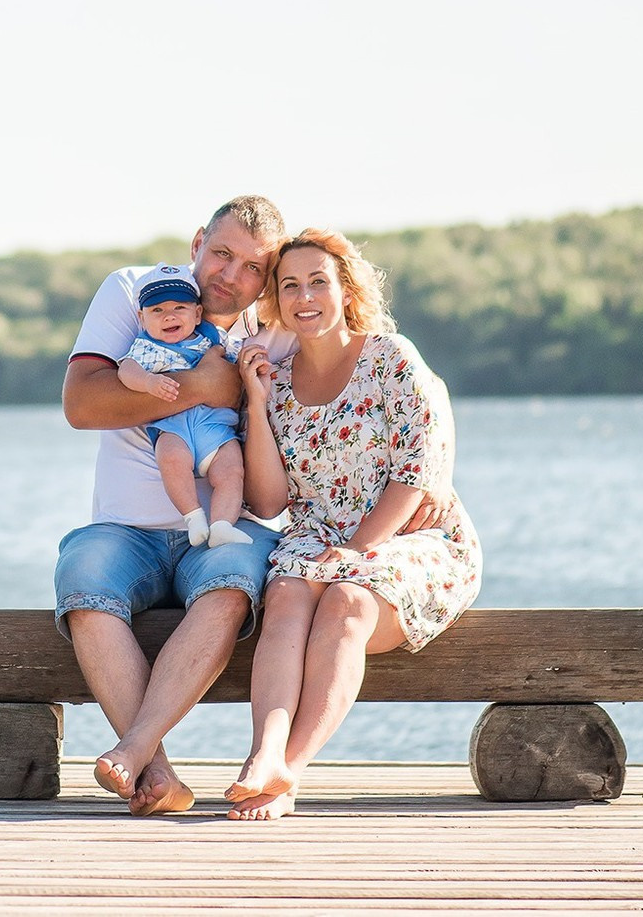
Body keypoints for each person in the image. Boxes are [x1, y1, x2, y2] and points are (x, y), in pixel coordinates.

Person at [56, 197, 453, 816]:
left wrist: (435, 475)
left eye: (253, 267)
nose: (231, 275)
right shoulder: (137, 292)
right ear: (197, 243)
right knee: (83, 581)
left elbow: (405, 379)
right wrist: (205, 386)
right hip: (126, 529)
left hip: (229, 527)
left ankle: (151, 752)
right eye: (221, 254)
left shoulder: (276, 329)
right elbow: (82, 405)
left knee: (236, 587)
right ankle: (153, 768)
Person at [224, 228, 481, 820]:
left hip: (412, 537)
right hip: (317, 540)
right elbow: (268, 500)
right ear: (276, 300)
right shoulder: (276, 383)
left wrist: (360, 549)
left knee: (347, 600)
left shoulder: (389, 357)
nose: (304, 296)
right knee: (286, 595)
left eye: (319, 282)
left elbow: (416, 471)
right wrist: (256, 404)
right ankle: (264, 754)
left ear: (346, 291)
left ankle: (288, 773)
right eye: (290, 285)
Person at [116, 264, 255, 549]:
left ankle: (222, 524)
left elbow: (238, 359)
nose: (169, 316)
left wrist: (252, 361)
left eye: (179, 307)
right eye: (157, 310)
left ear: (197, 313)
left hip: (214, 424)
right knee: (171, 459)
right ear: (142, 318)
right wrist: (148, 382)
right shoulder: (146, 347)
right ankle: (193, 517)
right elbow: (126, 370)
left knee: (231, 470)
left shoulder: (213, 339)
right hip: (173, 424)